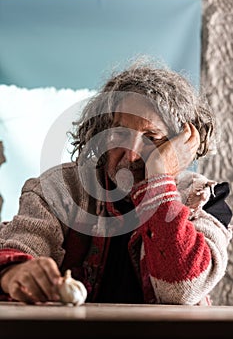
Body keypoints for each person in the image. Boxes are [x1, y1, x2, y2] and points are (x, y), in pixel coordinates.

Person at [0, 60, 232, 305]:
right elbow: (20, 247)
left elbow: (181, 291)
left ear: (182, 146)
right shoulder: (60, 188)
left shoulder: (206, 199)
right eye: (119, 134)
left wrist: (159, 180)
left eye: (151, 138)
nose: (131, 154)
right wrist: (13, 272)